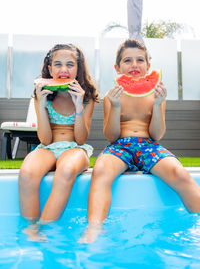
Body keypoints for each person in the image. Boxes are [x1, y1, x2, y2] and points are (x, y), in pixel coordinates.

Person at [79, 39, 200, 243]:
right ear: (117, 67)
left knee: (180, 174)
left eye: (140, 60)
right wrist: (116, 106)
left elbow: (157, 135)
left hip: (149, 145)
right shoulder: (111, 96)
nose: (134, 65)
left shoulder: (156, 93)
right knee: (100, 172)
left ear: (148, 66)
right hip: (119, 146)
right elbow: (111, 136)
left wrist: (160, 103)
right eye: (128, 60)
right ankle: (94, 228)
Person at [19, 44, 100, 238]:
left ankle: (45, 227)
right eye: (58, 64)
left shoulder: (86, 97)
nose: (64, 69)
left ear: (78, 69)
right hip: (48, 147)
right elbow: (45, 140)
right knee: (27, 173)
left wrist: (79, 104)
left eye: (70, 64)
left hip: (76, 148)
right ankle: (31, 229)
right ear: (49, 69)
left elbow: (81, 138)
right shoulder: (43, 94)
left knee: (65, 171)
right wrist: (41, 105)